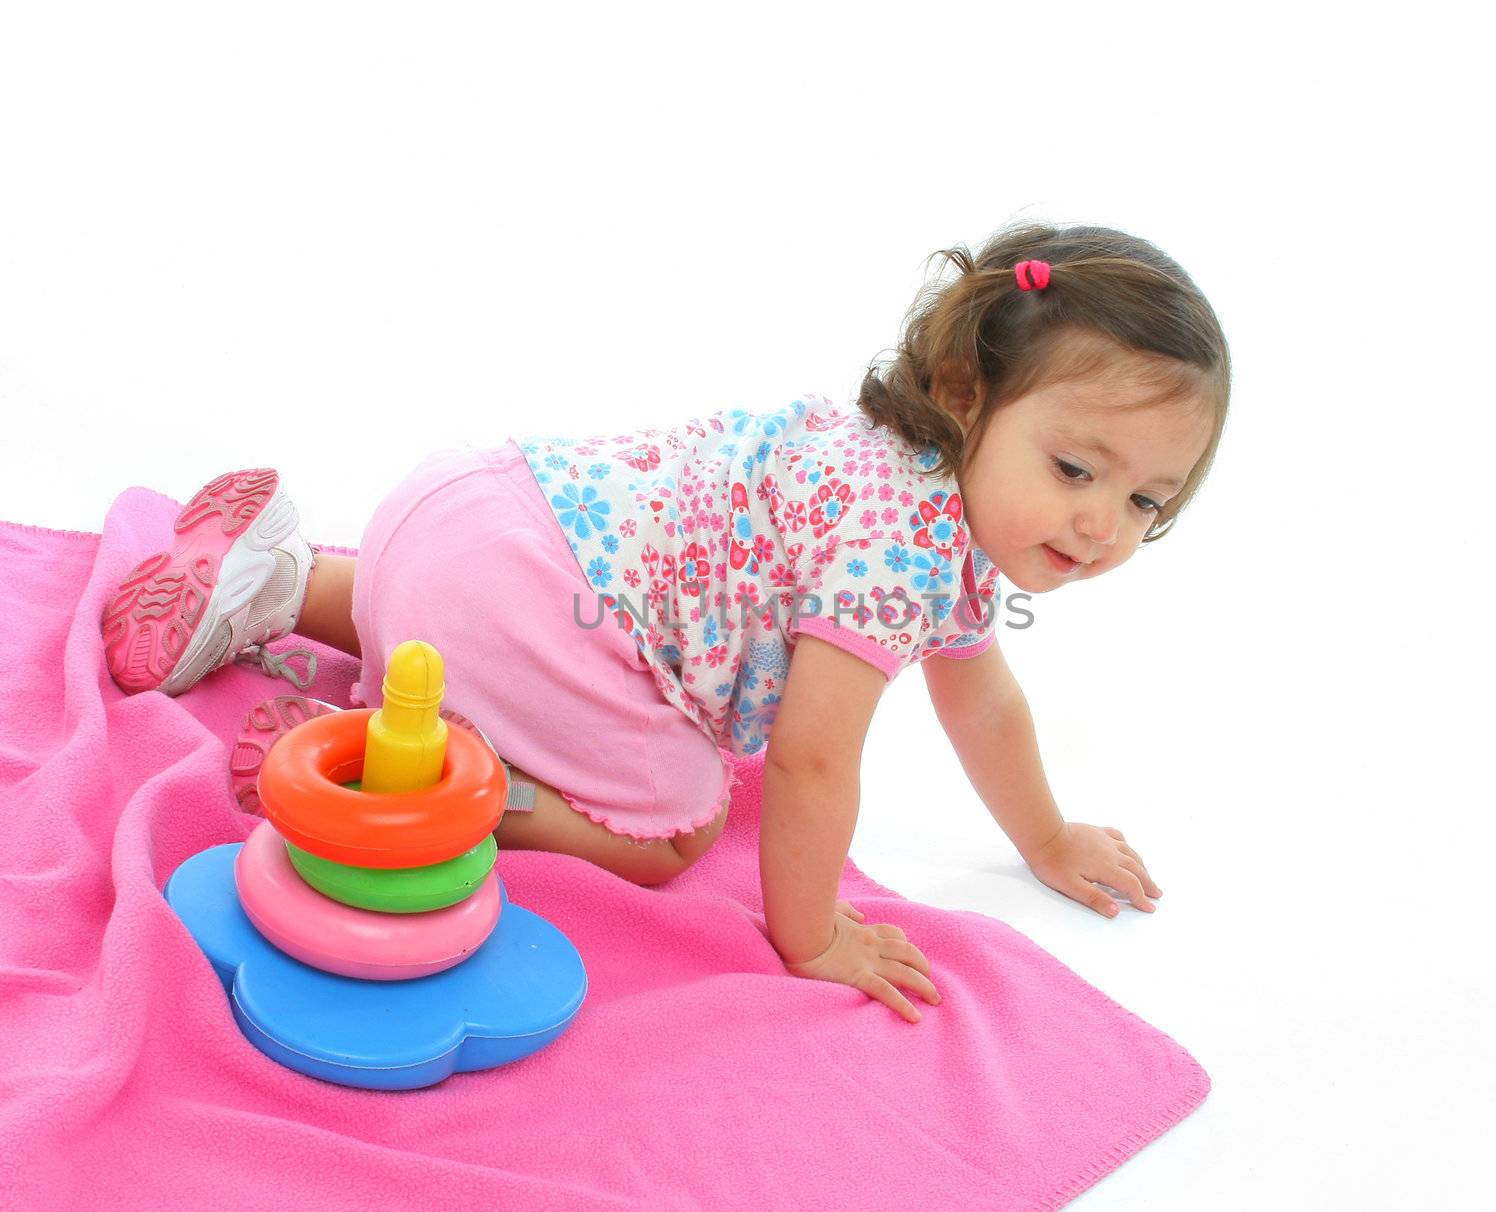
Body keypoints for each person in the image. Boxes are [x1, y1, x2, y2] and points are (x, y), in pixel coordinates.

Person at [100, 220, 1231, 1024]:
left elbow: (980, 698)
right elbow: (810, 761)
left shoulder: (908, 471)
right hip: (528, 605)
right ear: (967, 393)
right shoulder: (902, 553)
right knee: (682, 823)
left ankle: (280, 584)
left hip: (463, 516)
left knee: (468, 619)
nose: (1099, 526)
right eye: (1076, 467)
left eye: (1145, 501)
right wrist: (814, 934)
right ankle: (403, 780)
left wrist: (1044, 836)